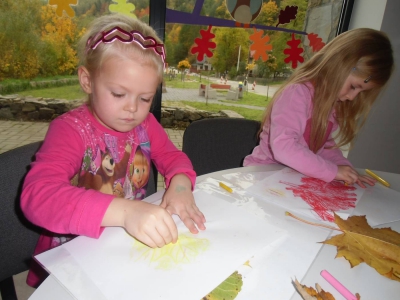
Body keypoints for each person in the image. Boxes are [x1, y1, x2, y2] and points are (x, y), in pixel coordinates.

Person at [21, 13, 206, 287]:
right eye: (119, 94)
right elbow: (38, 196)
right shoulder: (70, 131)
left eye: (145, 98)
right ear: (87, 81)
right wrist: (126, 212)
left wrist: (180, 185)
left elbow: (172, 157)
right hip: (76, 257)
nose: (132, 108)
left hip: (124, 250)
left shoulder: (146, 125)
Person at [244, 28, 394, 187]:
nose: (352, 97)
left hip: (292, 179)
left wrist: (345, 169)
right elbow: (284, 147)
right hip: (264, 175)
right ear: (338, 65)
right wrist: (333, 171)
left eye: (360, 91)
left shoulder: (331, 105)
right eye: (353, 86)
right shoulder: (297, 93)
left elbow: (323, 146)